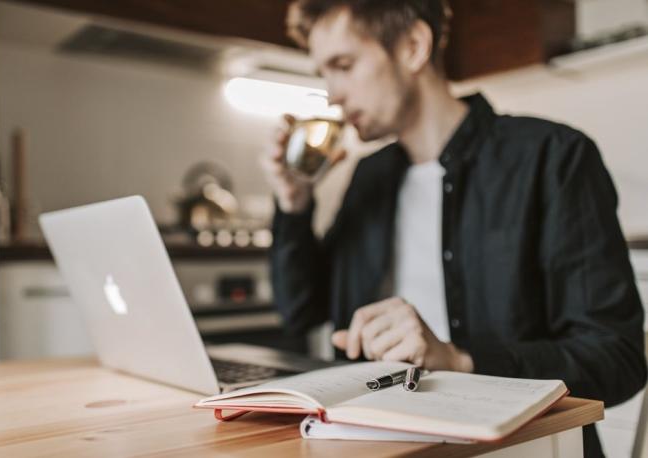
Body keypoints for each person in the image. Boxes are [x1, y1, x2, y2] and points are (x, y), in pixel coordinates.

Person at [260, 1, 646, 456]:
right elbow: (300, 311)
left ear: (413, 47)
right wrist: (294, 204)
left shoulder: (553, 156)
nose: (333, 95)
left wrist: (460, 360)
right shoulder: (370, 177)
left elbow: (617, 358)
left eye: (343, 66)